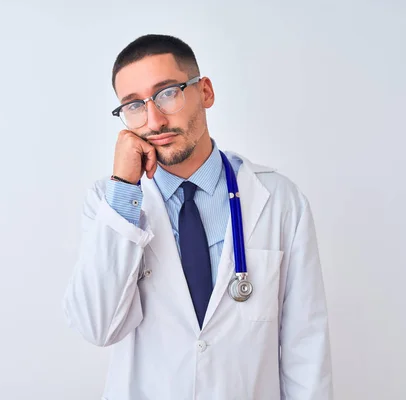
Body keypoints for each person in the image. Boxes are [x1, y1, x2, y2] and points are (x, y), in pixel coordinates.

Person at [62, 34, 333, 400]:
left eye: (168, 93)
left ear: (204, 92)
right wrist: (125, 188)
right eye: (134, 105)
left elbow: (306, 352)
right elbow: (97, 326)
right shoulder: (109, 203)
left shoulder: (280, 201)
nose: (154, 120)